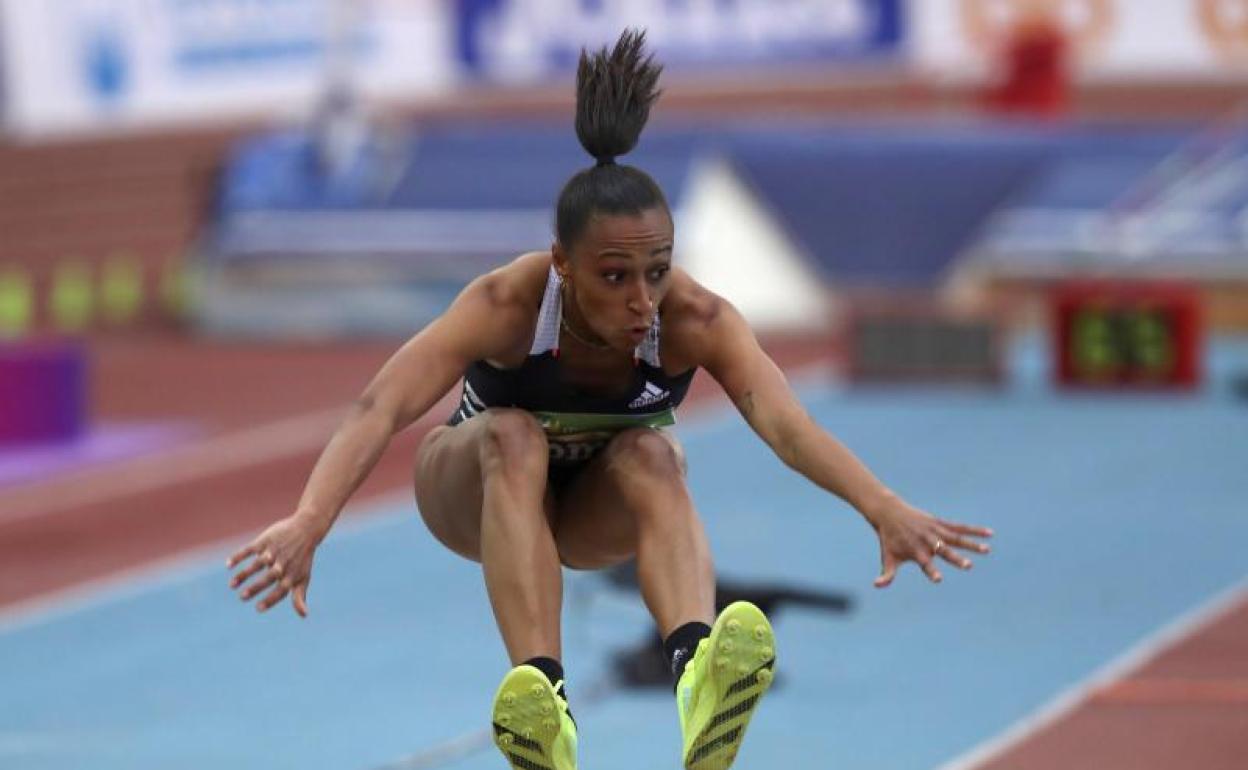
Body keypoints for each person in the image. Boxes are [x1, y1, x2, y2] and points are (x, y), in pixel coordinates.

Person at [226, 30, 993, 770]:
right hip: (473, 489)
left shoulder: (698, 322)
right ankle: (543, 708)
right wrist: (310, 521)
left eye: (656, 270)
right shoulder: (506, 304)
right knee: (513, 437)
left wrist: (882, 507)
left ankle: (698, 678)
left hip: (593, 511)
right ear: (562, 264)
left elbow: (787, 428)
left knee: (657, 453)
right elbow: (379, 408)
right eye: (615, 276)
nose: (642, 300)